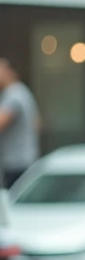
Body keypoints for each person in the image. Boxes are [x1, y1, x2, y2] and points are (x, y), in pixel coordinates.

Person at [0, 59, 40, 189]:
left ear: (10, 72)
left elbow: (2, 122)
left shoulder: (14, 95)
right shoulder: (21, 92)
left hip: (17, 163)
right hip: (24, 159)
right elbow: (38, 123)